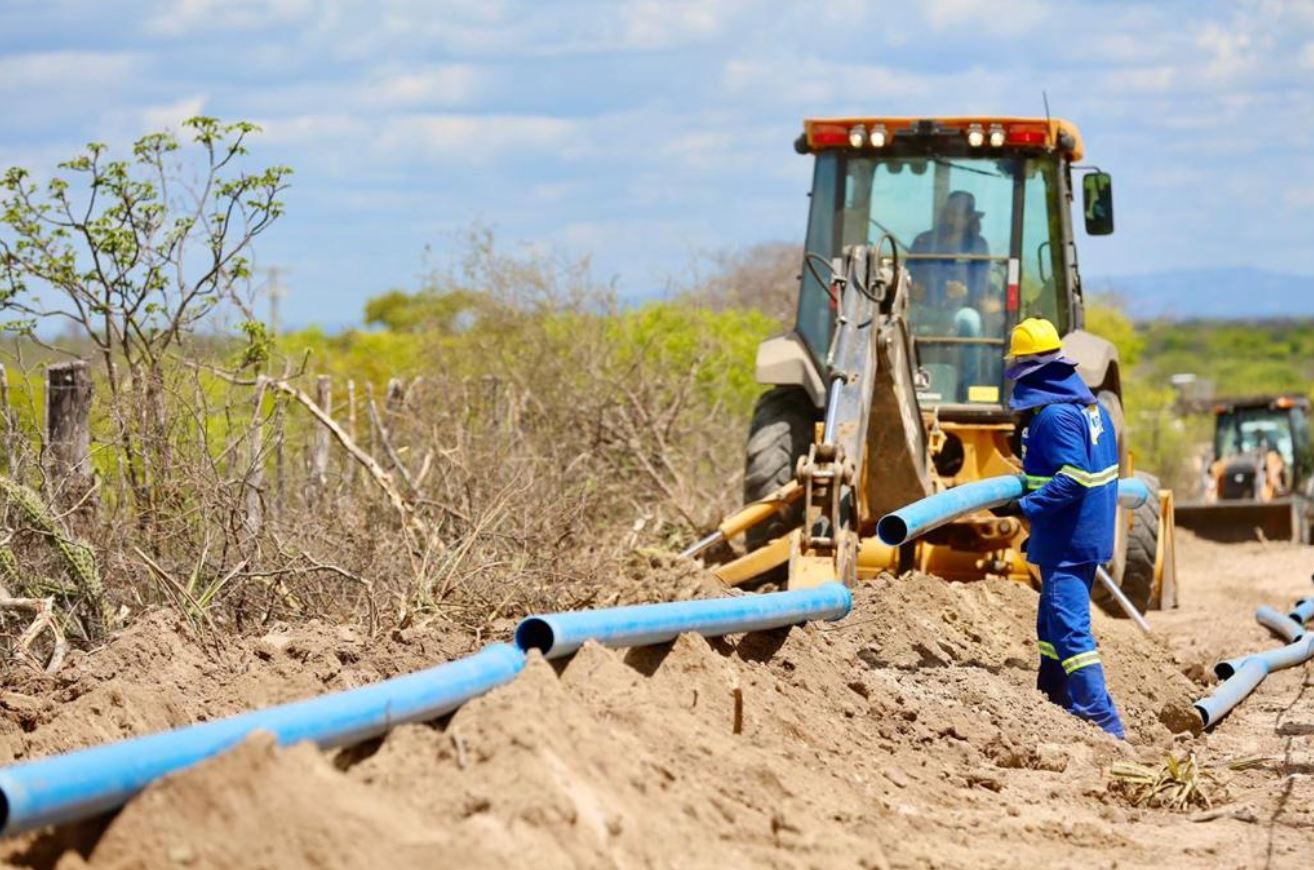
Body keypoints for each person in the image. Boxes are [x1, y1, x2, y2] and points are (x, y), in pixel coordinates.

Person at [993, 317, 1126, 739]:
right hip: (1083, 535)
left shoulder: (1054, 418)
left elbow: (1073, 478)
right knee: (1051, 627)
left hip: (1068, 541)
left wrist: (1024, 505)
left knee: (1070, 632)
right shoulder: (1093, 410)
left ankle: (1105, 725)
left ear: (1027, 370)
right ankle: (1053, 698)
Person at [909, 190, 990, 310]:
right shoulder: (923, 242)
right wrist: (914, 288)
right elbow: (909, 276)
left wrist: (964, 290)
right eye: (950, 213)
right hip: (922, 309)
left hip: (963, 310)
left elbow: (981, 284)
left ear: (968, 218)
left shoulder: (978, 246)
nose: (952, 219)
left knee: (970, 320)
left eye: (959, 214)